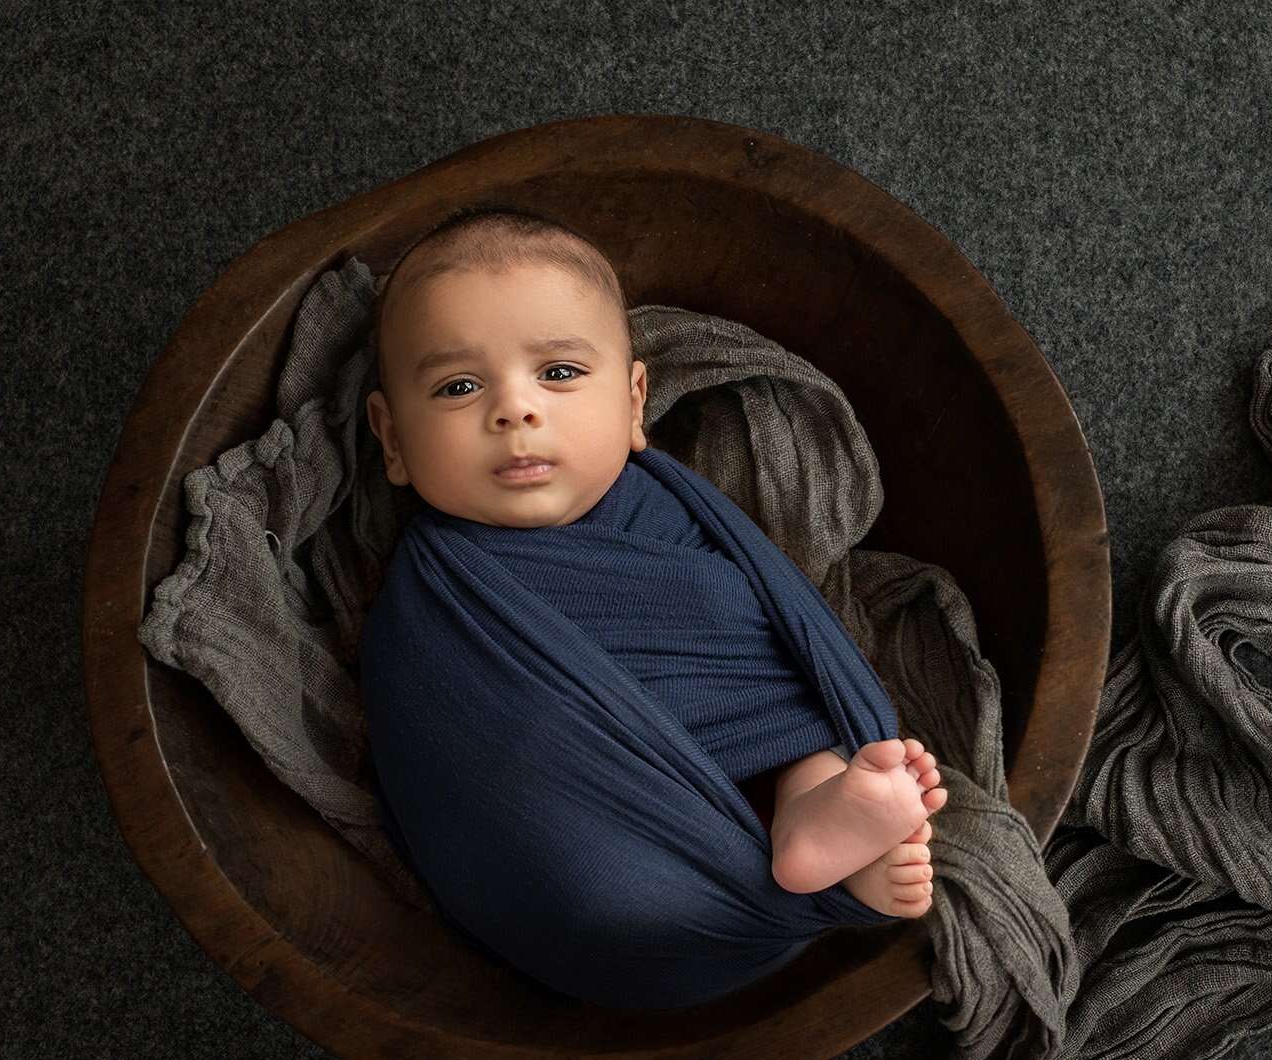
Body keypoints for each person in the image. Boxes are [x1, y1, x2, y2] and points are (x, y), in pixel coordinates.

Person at [362, 205, 945, 921]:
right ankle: (745, 857)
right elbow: (435, 740)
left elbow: (779, 631)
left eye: (559, 372)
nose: (515, 410)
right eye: (459, 387)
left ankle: (814, 811)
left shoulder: (667, 509)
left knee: (797, 721)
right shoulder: (431, 597)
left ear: (634, 404)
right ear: (393, 439)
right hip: (583, 840)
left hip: (750, 766)